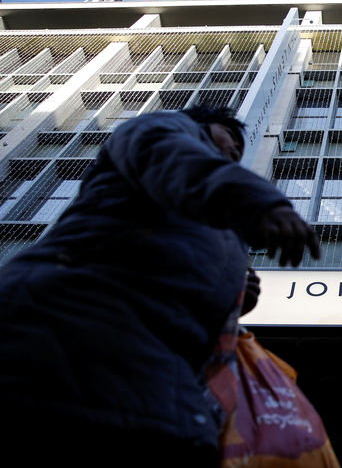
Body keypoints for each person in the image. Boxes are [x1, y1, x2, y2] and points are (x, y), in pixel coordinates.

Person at [0, 106, 320, 466]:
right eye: (229, 144)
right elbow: (177, 158)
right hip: (64, 338)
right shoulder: (166, 131)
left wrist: (230, 304)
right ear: (201, 126)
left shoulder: (209, 220)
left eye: (236, 155)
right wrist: (263, 205)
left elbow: (165, 288)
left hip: (147, 379)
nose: (232, 155)